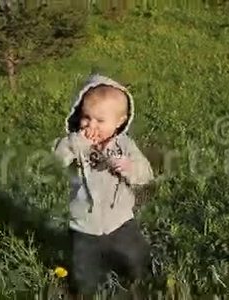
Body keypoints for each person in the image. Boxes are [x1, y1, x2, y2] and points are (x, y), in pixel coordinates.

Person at [52, 74, 155, 297]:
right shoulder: (76, 142)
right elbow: (57, 159)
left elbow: (146, 174)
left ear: (119, 122)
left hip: (119, 219)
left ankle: (142, 281)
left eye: (100, 121)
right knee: (84, 269)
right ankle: (85, 291)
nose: (91, 125)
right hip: (84, 224)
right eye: (86, 118)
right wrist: (75, 142)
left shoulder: (125, 146)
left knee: (135, 254)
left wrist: (130, 167)